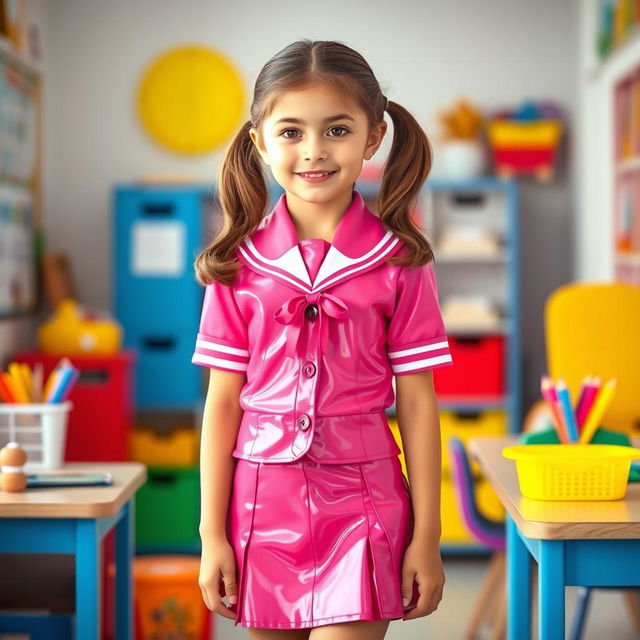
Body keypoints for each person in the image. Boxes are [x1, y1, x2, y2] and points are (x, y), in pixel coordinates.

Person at [192, 39, 454, 640]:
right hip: (261, 507)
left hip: (366, 504)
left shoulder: (402, 262)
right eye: (290, 132)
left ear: (373, 137)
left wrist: (428, 537)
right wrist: (211, 537)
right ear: (259, 141)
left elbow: (417, 403)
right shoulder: (238, 264)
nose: (313, 151)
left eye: (337, 129)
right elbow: (223, 403)